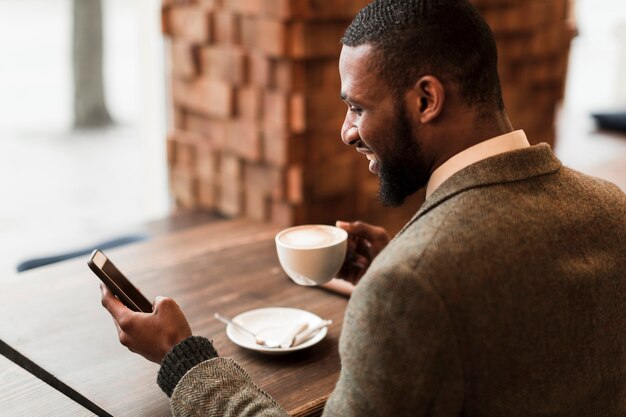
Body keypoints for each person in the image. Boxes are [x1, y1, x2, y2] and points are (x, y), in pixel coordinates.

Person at [101, 0, 626, 415]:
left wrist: (183, 359)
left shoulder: (410, 284)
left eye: (357, 107)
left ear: (426, 100)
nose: (346, 131)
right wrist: (402, 264)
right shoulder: (612, 210)